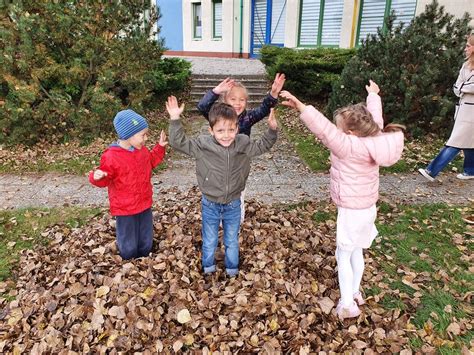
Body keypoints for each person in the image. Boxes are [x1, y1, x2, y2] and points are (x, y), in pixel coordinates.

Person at [280, 81, 405, 320]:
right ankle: (355, 292)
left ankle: (347, 304)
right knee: (357, 250)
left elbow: (323, 130)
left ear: (350, 133)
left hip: (350, 210)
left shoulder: (347, 146)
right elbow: (376, 118)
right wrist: (373, 96)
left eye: (340, 128)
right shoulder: (374, 137)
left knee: (343, 254)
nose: (336, 131)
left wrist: (300, 106)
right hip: (367, 208)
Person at [167, 96, 278, 277]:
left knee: (231, 240)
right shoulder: (203, 145)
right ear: (211, 131)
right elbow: (179, 142)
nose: (226, 135)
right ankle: (208, 269)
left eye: (231, 130)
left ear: (237, 128)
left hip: (233, 202)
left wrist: (272, 130)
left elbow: (262, 146)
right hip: (210, 202)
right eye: (220, 131)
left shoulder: (242, 143)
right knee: (210, 239)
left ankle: (232, 270)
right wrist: (174, 119)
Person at [197, 73, 285, 222]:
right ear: (225, 100)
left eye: (242, 100)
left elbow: (264, 109)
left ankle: (236, 221)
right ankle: (216, 219)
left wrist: (274, 93)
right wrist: (216, 91)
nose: (237, 103)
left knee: (238, 192)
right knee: (218, 188)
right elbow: (202, 106)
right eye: (233, 99)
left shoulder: (247, 118)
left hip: (239, 165)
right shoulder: (217, 115)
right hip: (218, 161)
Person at [89, 109, 167, 259]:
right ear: (128, 135)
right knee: (127, 238)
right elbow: (104, 178)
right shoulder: (111, 156)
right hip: (125, 208)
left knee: (145, 234)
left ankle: (145, 255)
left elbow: (150, 161)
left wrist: (160, 147)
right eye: (142, 135)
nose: (145, 138)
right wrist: (97, 176)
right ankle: (129, 259)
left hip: (144, 202)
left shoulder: (141, 150)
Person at [418, 34, 474, 181]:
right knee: (469, 141)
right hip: (463, 109)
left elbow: (471, 86)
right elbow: (457, 85)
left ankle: (431, 171)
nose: (465, 48)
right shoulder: (466, 65)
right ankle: (470, 170)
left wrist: (462, 88)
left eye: (468, 46)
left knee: (455, 141)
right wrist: (462, 88)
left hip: (472, 113)